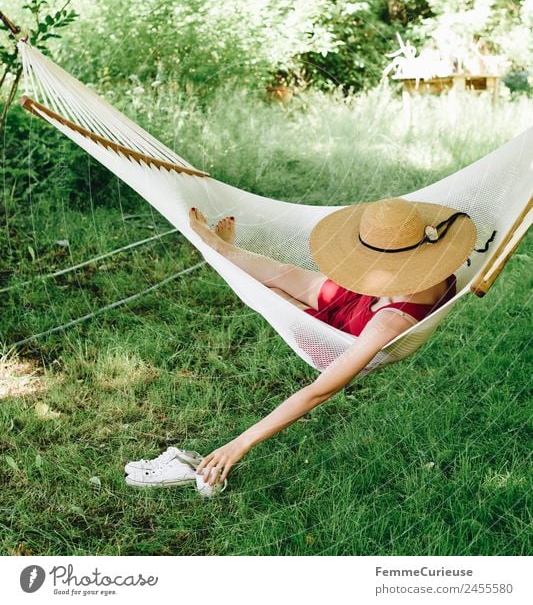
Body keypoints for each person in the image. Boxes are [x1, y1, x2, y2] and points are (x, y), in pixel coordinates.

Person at [185, 196, 477, 490]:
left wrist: (242, 441)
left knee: (269, 291)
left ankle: (219, 253)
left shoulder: (391, 323)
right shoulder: (426, 263)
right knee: (284, 272)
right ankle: (224, 249)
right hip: (370, 293)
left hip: (336, 336)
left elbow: (317, 392)